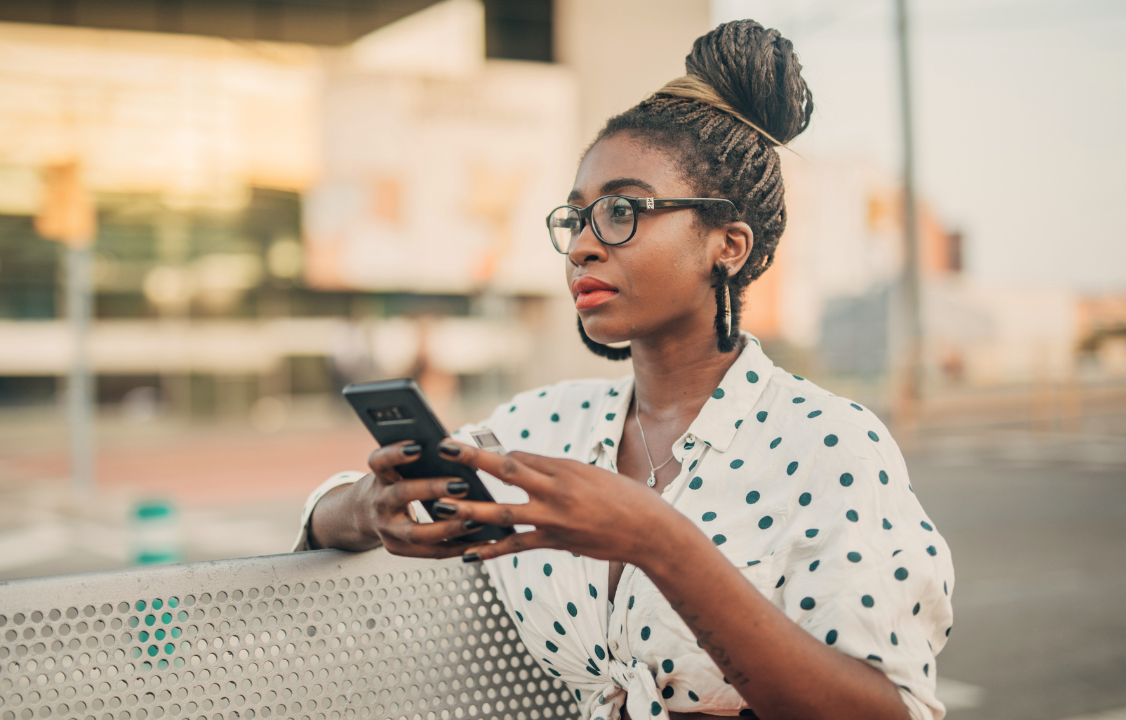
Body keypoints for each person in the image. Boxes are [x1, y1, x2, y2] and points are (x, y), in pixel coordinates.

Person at [293, 20, 953, 720]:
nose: (581, 246)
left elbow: (889, 709)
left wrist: (661, 544)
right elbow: (337, 512)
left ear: (726, 245)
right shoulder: (543, 425)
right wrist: (370, 507)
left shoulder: (827, 443)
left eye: (620, 212)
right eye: (575, 219)